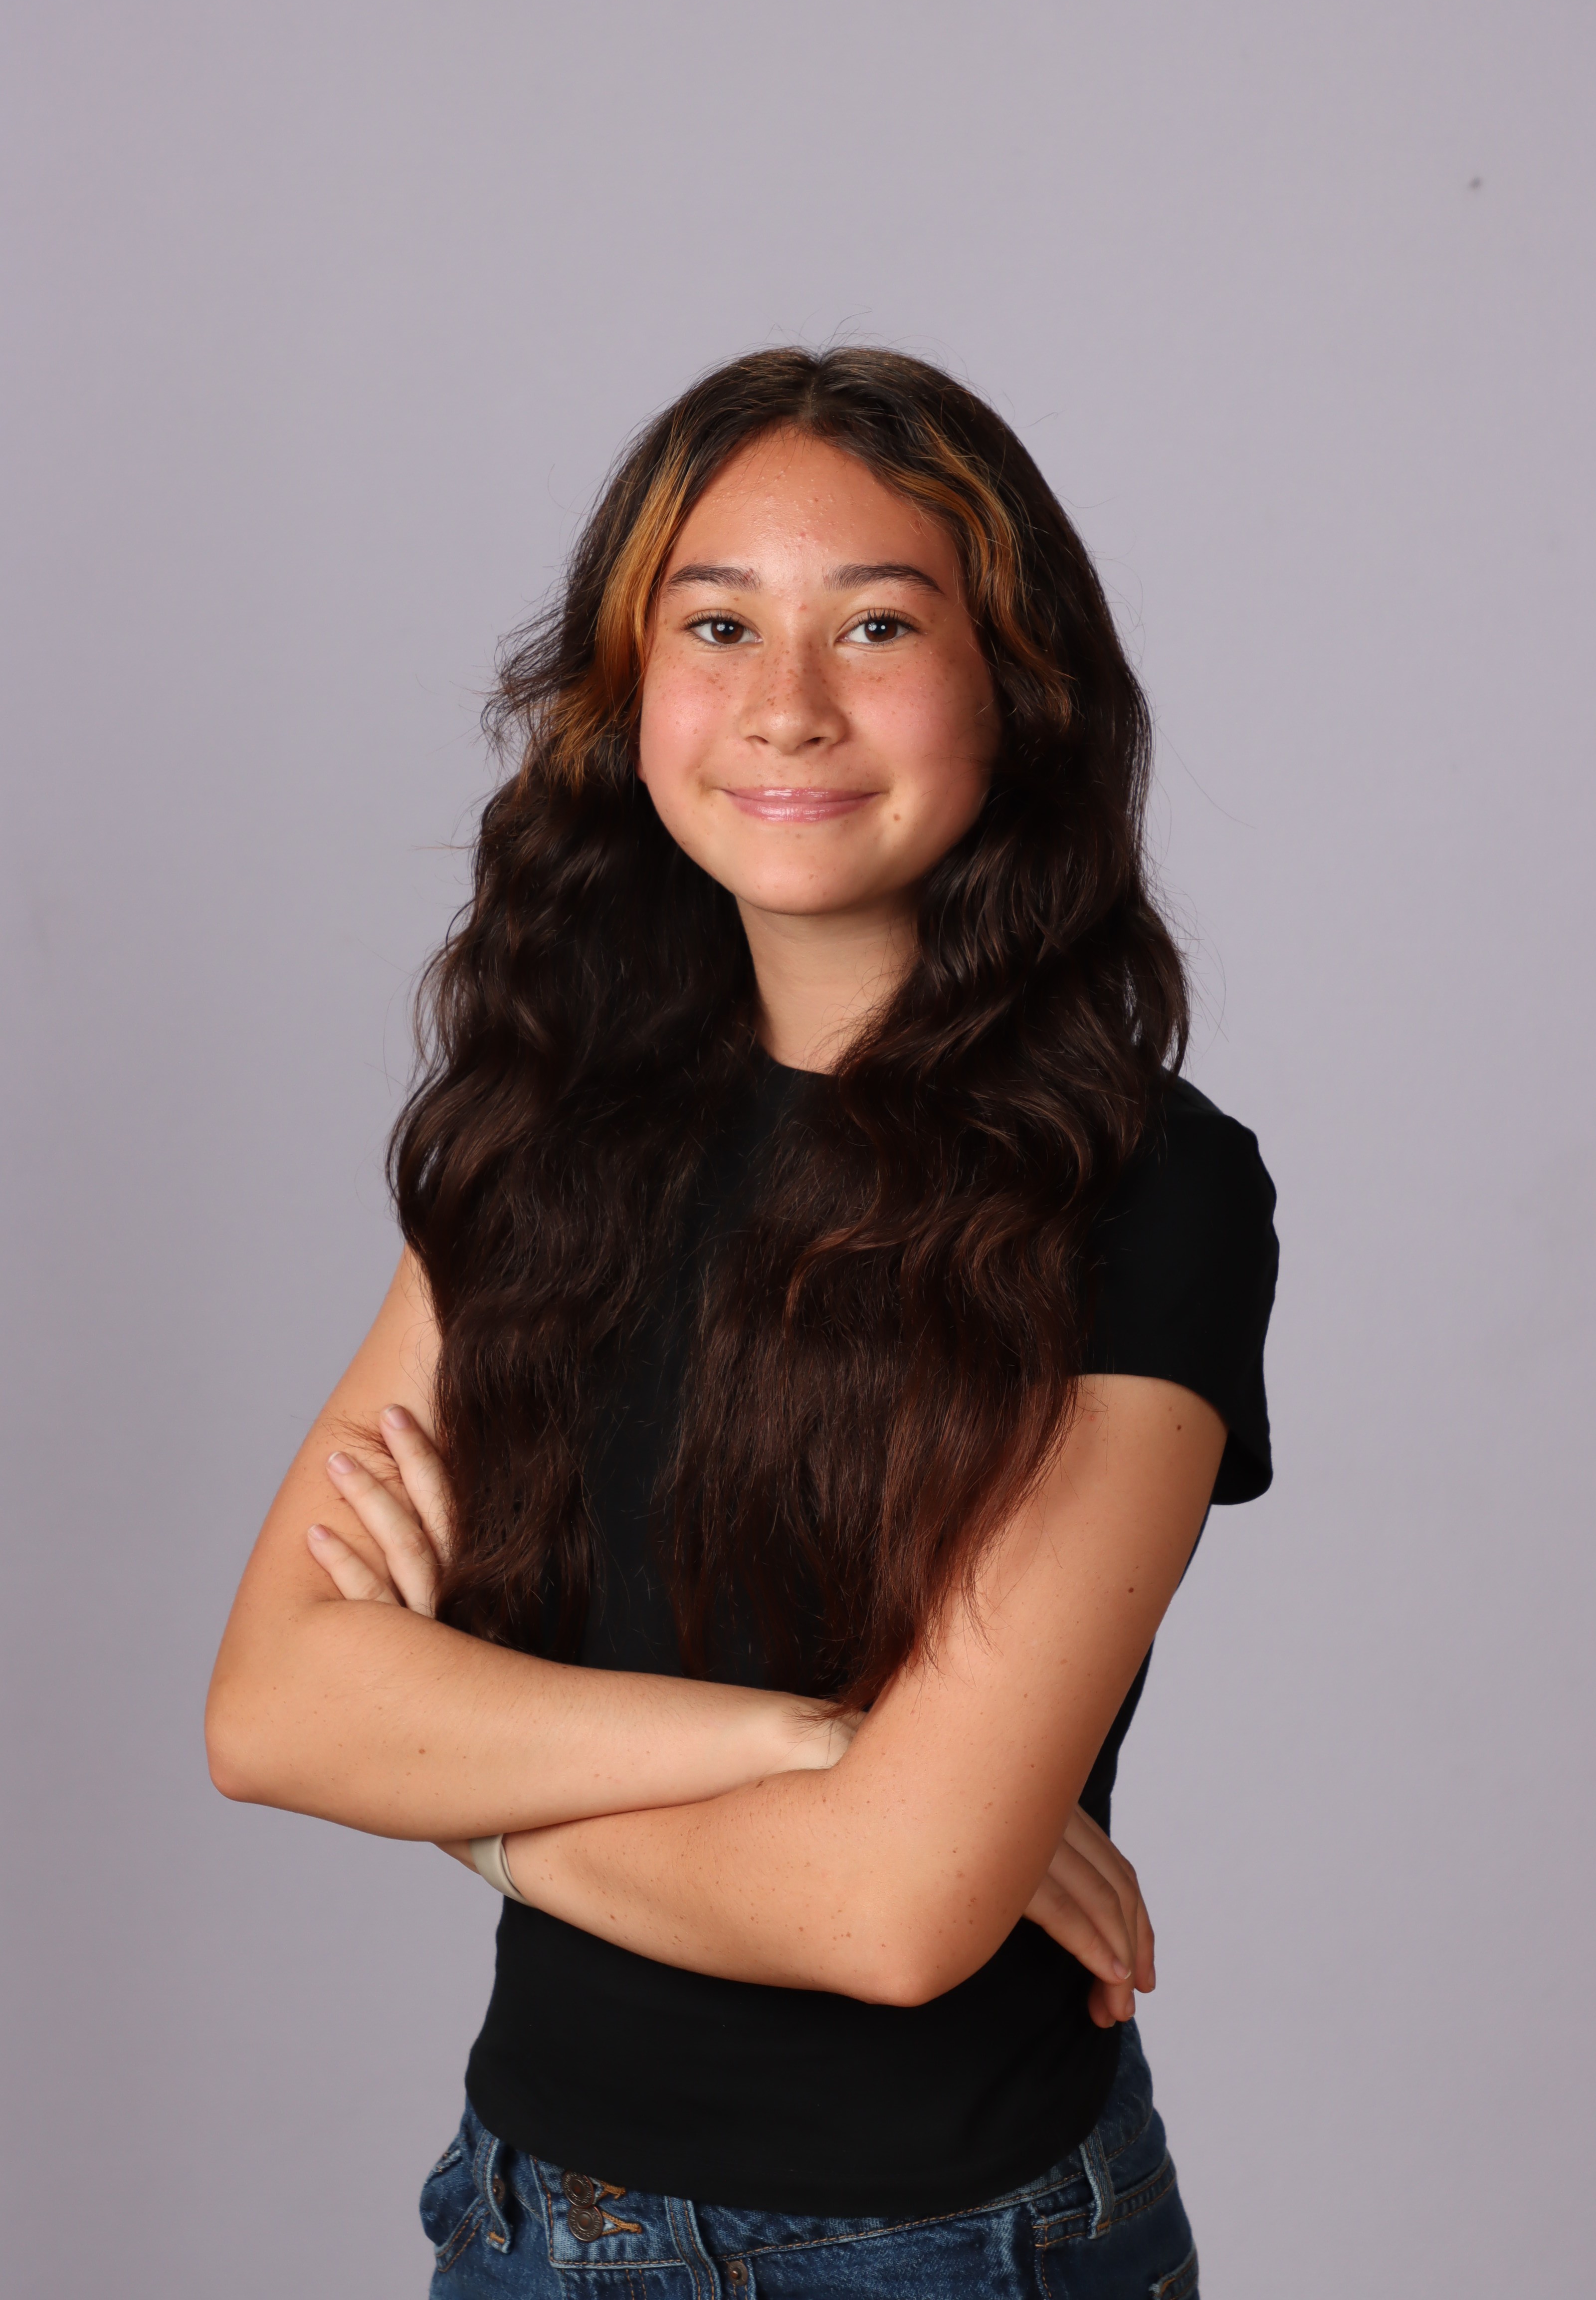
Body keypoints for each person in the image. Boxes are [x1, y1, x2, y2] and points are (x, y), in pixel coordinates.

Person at [207, 346, 1277, 2300]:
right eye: (716, 625)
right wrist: (803, 1745)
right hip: (524, 2214)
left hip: (938, 2247)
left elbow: (890, 1912)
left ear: (1016, 688)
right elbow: (273, 1711)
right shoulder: (547, 1129)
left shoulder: (1141, 1191)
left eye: (877, 624)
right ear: (630, 693)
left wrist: (464, 1797)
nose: (788, 703)